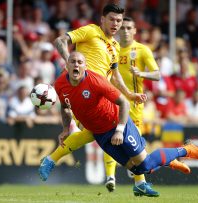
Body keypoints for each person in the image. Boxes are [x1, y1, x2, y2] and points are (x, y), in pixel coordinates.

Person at [51, 52, 198, 196]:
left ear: (85, 66)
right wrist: (65, 129)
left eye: (80, 62)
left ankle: (185, 150)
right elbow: (65, 108)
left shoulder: (95, 80)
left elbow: (123, 102)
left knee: (145, 164)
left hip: (117, 124)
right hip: (100, 134)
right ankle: (169, 161)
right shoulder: (60, 85)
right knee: (138, 168)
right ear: (67, 65)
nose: (76, 65)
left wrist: (119, 130)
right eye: (73, 61)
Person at [39, 3, 154, 196]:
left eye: (119, 20)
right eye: (112, 19)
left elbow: (115, 77)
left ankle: (139, 180)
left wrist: (129, 94)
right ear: (103, 20)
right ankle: (139, 180)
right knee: (108, 129)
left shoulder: (116, 46)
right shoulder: (90, 31)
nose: (115, 24)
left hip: (100, 95)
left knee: (107, 131)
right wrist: (69, 63)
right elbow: (60, 41)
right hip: (80, 90)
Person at [116, 17, 163, 196]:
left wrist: (141, 73)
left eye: (129, 28)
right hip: (113, 102)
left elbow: (157, 75)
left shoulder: (142, 50)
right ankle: (116, 178)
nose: (125, 31)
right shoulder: (112, 48)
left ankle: (139, 181)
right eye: (123, 28)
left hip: (133, 105)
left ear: (135, 30)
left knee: (131, 143)